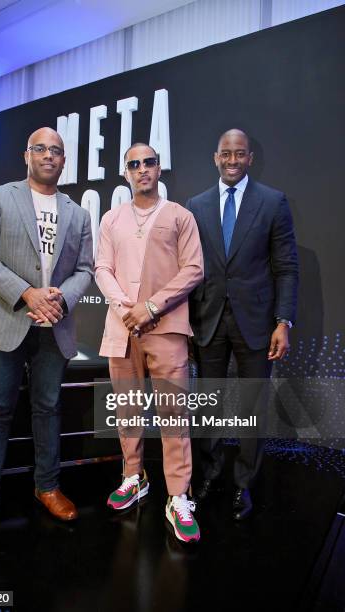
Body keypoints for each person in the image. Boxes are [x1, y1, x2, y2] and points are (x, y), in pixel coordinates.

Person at [0, 127, 93, 544]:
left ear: (64, 161)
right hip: (5, 323)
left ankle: (47, 487)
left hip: (55, 326)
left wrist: (59, 300)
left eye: (56, 151)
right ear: (26, 155)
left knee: (48, 409)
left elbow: (86, 270)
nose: (48, 156)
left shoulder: (78, 213)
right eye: (41, 149)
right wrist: (27, 294)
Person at [186, 129, 298, 520]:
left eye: (240, 154)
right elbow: (188, 270)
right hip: (207, 319)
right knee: (208, 405)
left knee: (253, 406)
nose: (232, 161)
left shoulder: (272, 202)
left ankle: (244, 484)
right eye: (225, 154)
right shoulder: (195, 206)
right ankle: (209, 475)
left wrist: (283, 321)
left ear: (250, 158)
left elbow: (286, 268)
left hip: (257, 323)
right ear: (215, 158)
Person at [95, 142, 203, 543]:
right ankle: (132, 477)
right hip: (122, 327)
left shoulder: (180, 216)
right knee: (127, 412)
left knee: (174, 417)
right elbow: (101, 267)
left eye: (149, 162)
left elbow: (194, 269)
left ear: (160, 169)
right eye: (134, 164)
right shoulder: (111, 219)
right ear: (126, 173)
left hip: (167, 327)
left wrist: (151, 306)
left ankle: (178, 496)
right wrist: (126, 306)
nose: (142, 169)